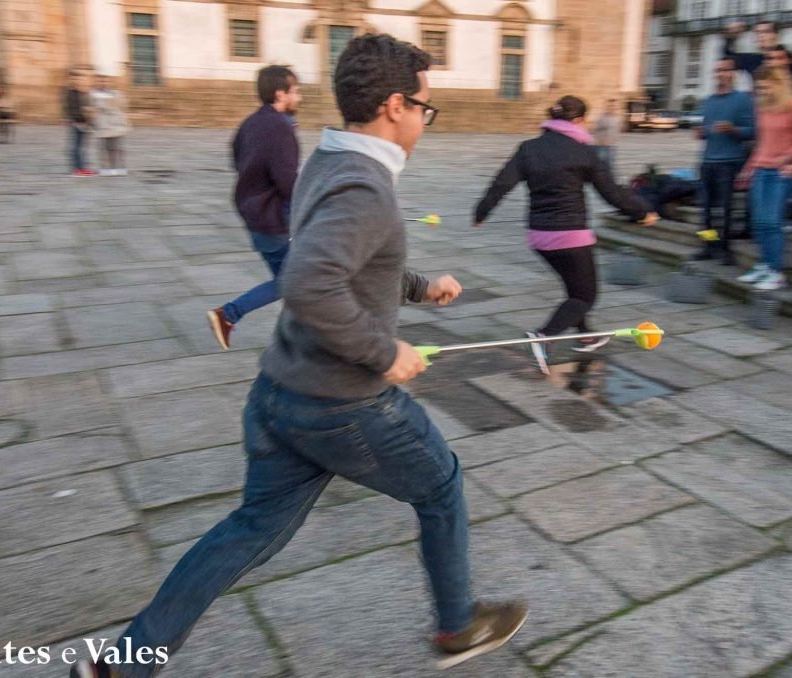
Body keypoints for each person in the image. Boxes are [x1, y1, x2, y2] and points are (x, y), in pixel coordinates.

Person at [68, 34, 527, 678]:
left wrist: (422, 288)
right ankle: (458, 624)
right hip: (344, 404)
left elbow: (343, 262)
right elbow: (311, 281)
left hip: (279, 393)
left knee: (251, 531)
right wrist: (383, 349)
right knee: (442, 484)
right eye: (426, 106)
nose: (427, 119)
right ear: (396, 105)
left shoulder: (327, 159)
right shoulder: (367, 187)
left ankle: (122, 664)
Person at [473, 95, 657, 374]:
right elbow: (612, 192)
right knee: (585, 296)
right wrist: (642, 213)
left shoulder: (528, 148)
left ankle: (585, 335)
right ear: (579, 121)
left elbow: (502, 182)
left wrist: (481, 212)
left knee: (574, 287)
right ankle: (544, 337)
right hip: (571, 236)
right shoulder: (584, 151)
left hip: (538, 236)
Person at [207, 65, 302, 350]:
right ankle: (229, 314)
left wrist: (256, 183)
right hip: (273, 219)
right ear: (279, 93)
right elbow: (288, 183)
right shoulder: (279, 128)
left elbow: (235, 156)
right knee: (295, 281)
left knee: (292, 280)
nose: (299, 97)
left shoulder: (251, 123)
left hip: (253, 213)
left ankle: (295, 337)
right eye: (295, 91)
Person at [736, 66, 792, 291]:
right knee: (759, 221)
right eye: (759, 87)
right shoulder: (762, 107)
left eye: (766, 86)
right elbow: (762, 142)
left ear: (780, 84)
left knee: (772, 221)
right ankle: (763, 264)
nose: (762, 91)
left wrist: (786, 158)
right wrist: (748, 168)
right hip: (761, 168)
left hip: (783, 170)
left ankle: (776, 270)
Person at [693, 57, 755, 265]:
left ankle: (726, 249)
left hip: (729, 162)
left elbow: (752, 131)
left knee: (726, 208)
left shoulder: (743, 100)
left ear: (733, 73)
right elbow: (704, 129)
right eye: (717, 70)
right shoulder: (709, 100)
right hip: (708, 161)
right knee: (706, 209)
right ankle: (708, 245)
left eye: (725, 70)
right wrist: (700, 132)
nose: (720, 74)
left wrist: (733, 129)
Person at [724, 20, 792, 84]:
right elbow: (729, 59)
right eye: (758, 33)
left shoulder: (788, 57)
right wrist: (731, 36)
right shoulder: (752, 60)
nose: (761, 36)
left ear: (776, 35)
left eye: (766, 32)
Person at [91, 75, 131, 176]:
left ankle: (120, 167)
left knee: (117, 147)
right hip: (103, 124)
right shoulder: (94, 94)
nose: (103, 83)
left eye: (105, 81)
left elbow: (123, 105)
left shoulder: (116, 93)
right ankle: (105, 168)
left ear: (109, 82)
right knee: (104, 147)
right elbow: (95, 106)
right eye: (101, 81)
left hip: (116, 123)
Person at [63, 68, 96, 177]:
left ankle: (83, 168)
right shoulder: (70, 93)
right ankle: (77, 169)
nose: (79, 81)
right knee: (76, 147)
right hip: (77, 123)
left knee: (83, 147)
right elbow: (71, 109)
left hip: (84, 123)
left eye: (81, 78)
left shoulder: (81, 92)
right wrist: (80, 120)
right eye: (76, 78)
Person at [594, 99, 620, 171]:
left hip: (612, 146)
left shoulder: (616, 118)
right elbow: (596, 130)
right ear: (607, 107)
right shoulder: (602, 118)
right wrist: (600, 142)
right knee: (602, 167)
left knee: (611, 167)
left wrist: (614, 140)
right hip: (603, 147)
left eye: (614, 106)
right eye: (611, 106)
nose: (613, 108)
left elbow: (615, 132)